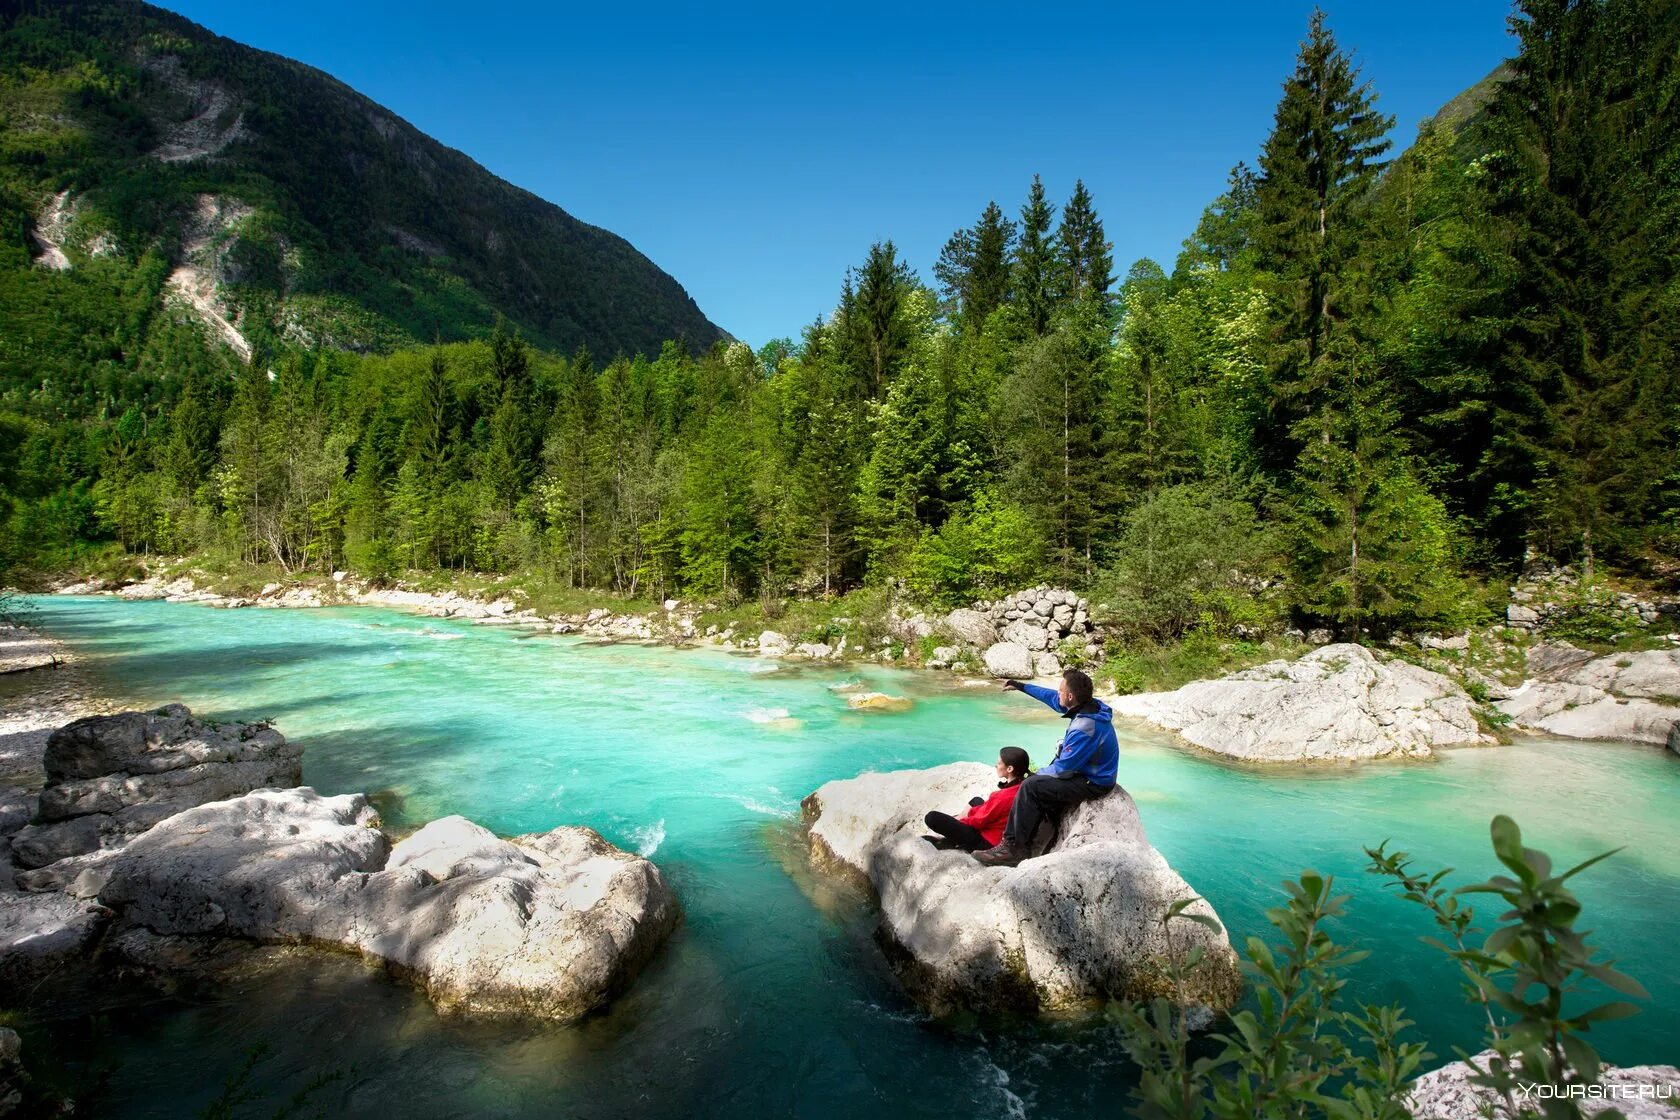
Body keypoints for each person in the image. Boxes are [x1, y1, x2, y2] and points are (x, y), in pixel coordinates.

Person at [973, 668, 1117, 867]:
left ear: (1070, 696)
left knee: (1030, 786)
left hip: (1093, 782)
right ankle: (1031, 834)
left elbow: (1062, 770)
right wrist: (1021, 686)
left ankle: (1013, 849)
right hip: (1089, 772)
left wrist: (1033, 775)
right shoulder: (1089, 706)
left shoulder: (1085, 728)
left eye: (1061, 690)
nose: (1057, 693)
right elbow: (1051, 698)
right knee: (1038, 781)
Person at [922, 747, 1032, 852]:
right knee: (976, 800)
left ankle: (950, 839)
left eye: (999, 763)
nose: (996, 765)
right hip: (1001, 829)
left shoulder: (1002, 796)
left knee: (931, 817)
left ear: (1009, 769)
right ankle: (954, 832)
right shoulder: (1024, 787)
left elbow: (979, 822)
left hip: (987, 842)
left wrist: (959, 820)